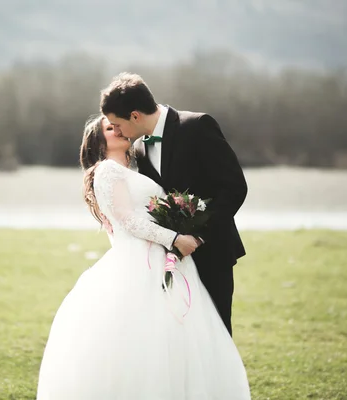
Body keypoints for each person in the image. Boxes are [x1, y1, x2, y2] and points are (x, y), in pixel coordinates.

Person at [36, 115, 250, 399]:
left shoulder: (137, 166)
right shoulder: (108, 171)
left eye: (117, 124)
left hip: (165, 260)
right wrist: (174, 238)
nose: (118, 129)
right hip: (139, 264)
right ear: (100, 141)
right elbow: (127, 221)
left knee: (176, 337)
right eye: (110, 129)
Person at [100, 72, 248, 336]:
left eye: (116, 124)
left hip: (212, 253)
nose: (117, 131)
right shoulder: (141, 150)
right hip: (168, 259)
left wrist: (198, 237)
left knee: (215, 336)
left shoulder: (198, 126)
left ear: (135, 115)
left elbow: (234, 187)